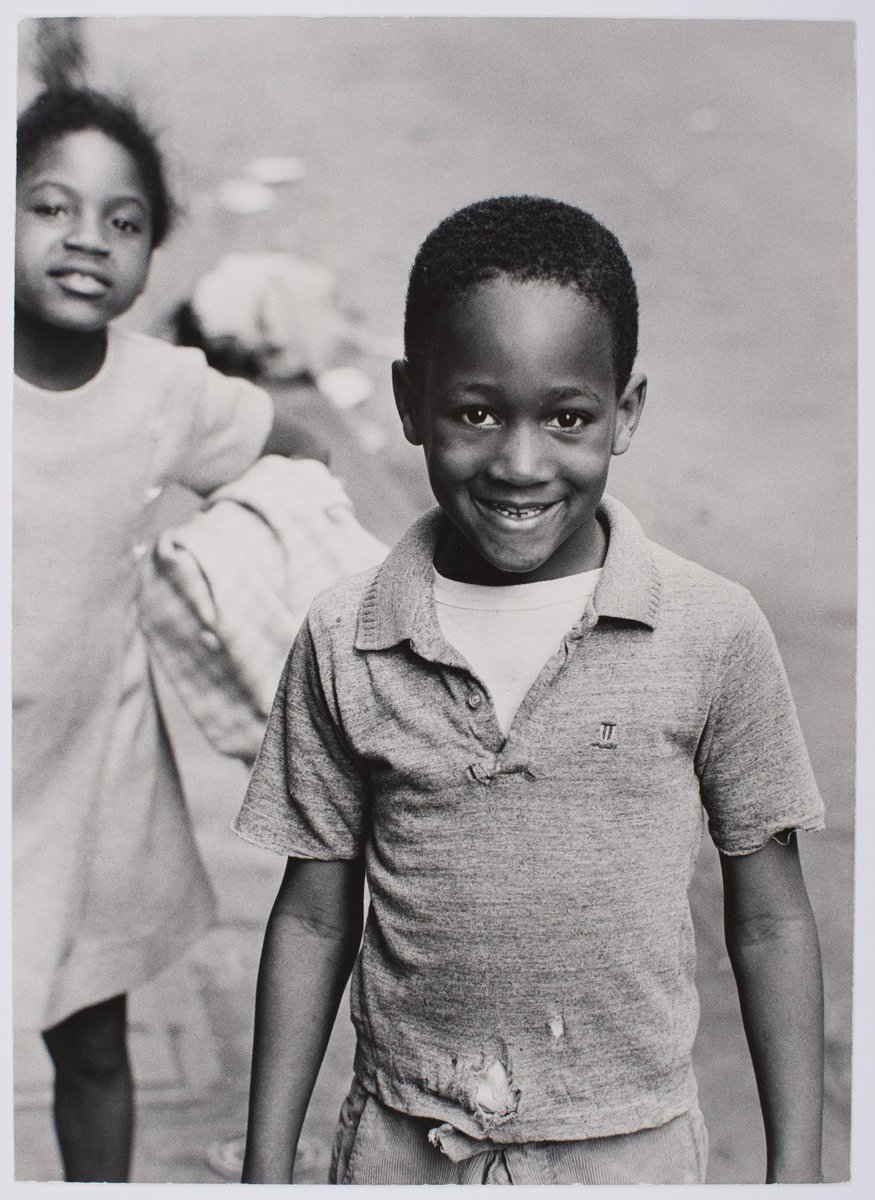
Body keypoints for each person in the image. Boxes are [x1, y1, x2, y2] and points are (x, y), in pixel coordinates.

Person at [234, 196, 826, 1185]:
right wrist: (264, 1167)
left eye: (565, 417)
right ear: (407, 401)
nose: (517, 463)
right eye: (473, 412)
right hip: (404, 1140)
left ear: (622, 412)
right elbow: (310, 917)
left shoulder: (710, 631)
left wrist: (798, 1172)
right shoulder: (348, 638)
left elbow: (768, 919)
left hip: (628, 1149)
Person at [12, 86, 322, 1182]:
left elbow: (293, 446)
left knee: (91, 1040)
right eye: (51, 206)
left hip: (89, 770)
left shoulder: (165, 391)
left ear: (152, 252)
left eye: (124, 220)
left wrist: (242, 562)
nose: (87, 239)